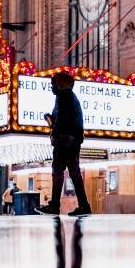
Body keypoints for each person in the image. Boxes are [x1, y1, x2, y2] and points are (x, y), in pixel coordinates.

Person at [42, 72, 91, 216]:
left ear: (61, 84)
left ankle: (54, 205)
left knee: (57, 171)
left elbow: (62, 120)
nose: (51, 87)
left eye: (53, 83)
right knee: (74, 173)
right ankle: (84, 205)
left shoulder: (64, 96)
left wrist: (55, 132)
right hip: (72, 139)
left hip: (65, 140)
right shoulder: (69, 97)